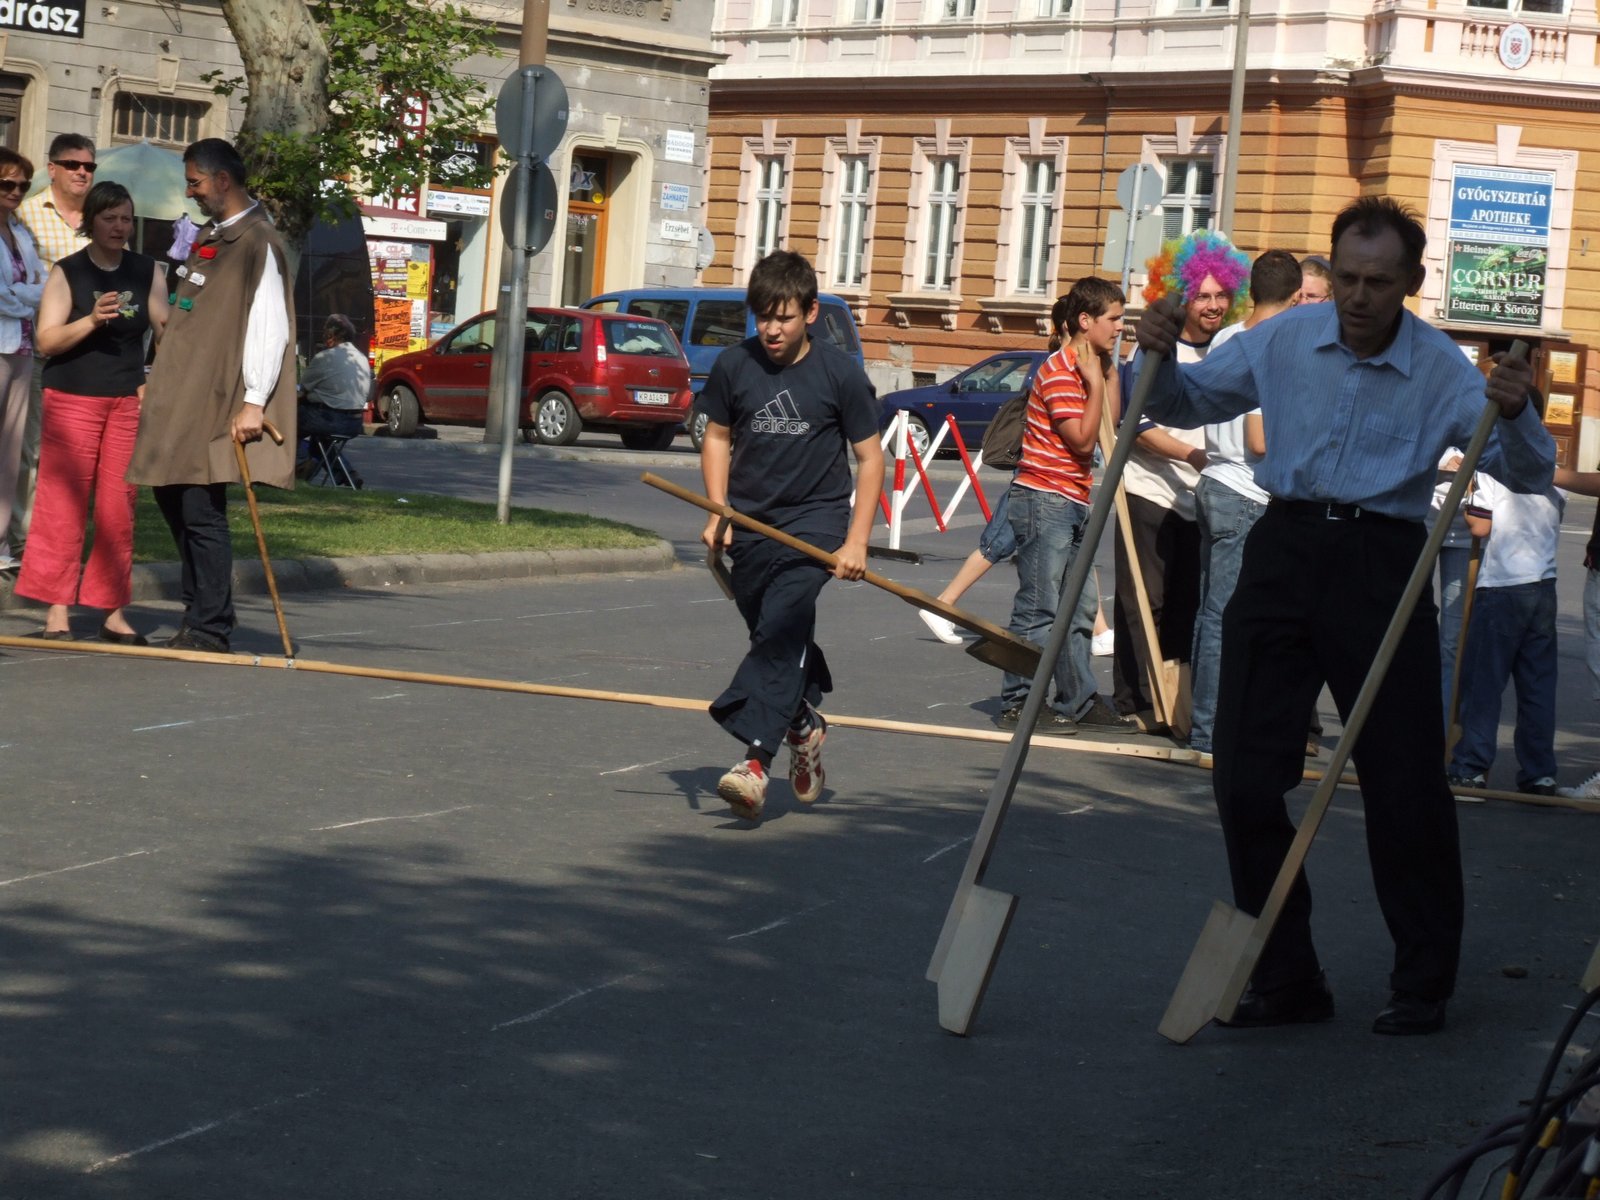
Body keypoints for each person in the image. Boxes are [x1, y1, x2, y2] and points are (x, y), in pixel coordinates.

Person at [1136, 196, 1552, 1036]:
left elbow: (1531, 471)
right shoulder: (1286, 337)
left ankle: (1422, 980)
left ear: (1412, 281)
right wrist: (1153, 356)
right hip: (1283, 547)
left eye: (1380, 282)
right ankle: (1287, 975)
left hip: (1382, 561)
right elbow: (1186, 402)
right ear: (1331, 271)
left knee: (1404, 780)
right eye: (1350, 278)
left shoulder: (1442, 368)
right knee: (1243, 776)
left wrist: (1515, 411)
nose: (1360, 297)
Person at [699, 250, 884, 822]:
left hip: (815, 525)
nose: (771, 330)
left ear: (810, 312)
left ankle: (755, 763)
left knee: (782, 625)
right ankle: (803, 723)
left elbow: (871, 459)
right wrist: (718, 511)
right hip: (753, 524)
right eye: (763, 317)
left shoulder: (839, 373)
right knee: (775, 636)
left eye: (783, 317)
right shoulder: (734, 365)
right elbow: (717, 437)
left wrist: (856, 542)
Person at [126, 138, 297, 653]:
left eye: (195, 182)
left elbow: (270, 325)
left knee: (200, 506)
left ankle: (210, 625)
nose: (190, 192)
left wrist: (254, 401)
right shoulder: (212, 234)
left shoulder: (258, 241)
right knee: (170, 494)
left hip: (217, 395)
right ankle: (198, 610)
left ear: (223, 180)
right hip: (181, 390)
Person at [16, 181, 168, 643]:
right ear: (90, 222)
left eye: (126, 219)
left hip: (125, 400)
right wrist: (91, 319)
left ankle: (112, 612)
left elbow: (166, 331)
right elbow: (47, 340)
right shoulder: (69, 272)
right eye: (109, 218)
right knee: (62, 504)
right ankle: (56, 612)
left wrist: (158, 379)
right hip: (72, 397)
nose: (119, 227)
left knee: (119, 505)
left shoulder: (147, 271)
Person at [1114, 241, 1248, 732]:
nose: (1213, 305)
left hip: (1203, 497)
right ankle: (1135, 699)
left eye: (1221, 295)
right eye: (1202, 296)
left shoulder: (1230, 349)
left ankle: (1177, 700)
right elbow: (1138, 425)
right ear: (1181, 297)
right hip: (1150, 489)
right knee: (1145, 599)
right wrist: (1194, 455)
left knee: (1189, 604)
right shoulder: (1155, 351)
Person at [995, 276, 1128, 734]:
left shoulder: (1089, 370)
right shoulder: (1059, 371)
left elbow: (1109, 425)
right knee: (1039, 608)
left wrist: (1108, 375)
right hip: (1044, 500)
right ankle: (1018, 703)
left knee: (1080, 609)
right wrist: (1094, 382)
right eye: (1114, 319)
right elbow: (1083, 440)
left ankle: (1078, 700)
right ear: (1085, 320)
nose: (1120, 328)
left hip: (1071, 500)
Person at [1187, 250, 1300, 760]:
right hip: (1246, 491)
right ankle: (1211, 732)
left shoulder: (1227, 337)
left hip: (1215, 480)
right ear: (1294, 299)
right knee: (1226, 617)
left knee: (1211, 612)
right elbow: (1259, 441)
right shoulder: (1270, 346)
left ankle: (1205, 722)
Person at [1444, 451, 1563, 796]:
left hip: (1502, 584)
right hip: (1544, 583)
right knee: (1537, 686)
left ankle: (1471, 768)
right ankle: (1539, 773)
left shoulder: (1492, 468)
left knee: (1483, 683)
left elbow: (1480, 526)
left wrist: (1468, 497)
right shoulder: (1551, 471)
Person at [15, 133, 95, 559]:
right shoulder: (25, 215)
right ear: (53, 169)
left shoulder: (102, 217)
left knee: (77, 457)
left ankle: (63, 542)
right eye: (72, 165)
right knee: (32, 450)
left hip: (90, 356)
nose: (82, 172)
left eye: (89, 166)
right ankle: (26, 541)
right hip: (40, 350)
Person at [0, 147, 46, 572]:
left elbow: (41, 282)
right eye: (7, 183)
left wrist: (24, 295)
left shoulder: (20, 230)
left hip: (24, 347)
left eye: (23, 185)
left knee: (11, 450)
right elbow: (4, 297)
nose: (16, 191)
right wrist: (27, 296)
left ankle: (0, 544)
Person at [295, 313, 371, 485]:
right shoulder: (361, 358)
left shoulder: (325, 358)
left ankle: (302, 462)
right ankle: (348, 475)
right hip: (355, 422)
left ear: (331, 336)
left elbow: (303, 388)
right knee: (320, 442)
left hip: (330, 419)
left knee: (288, 423)